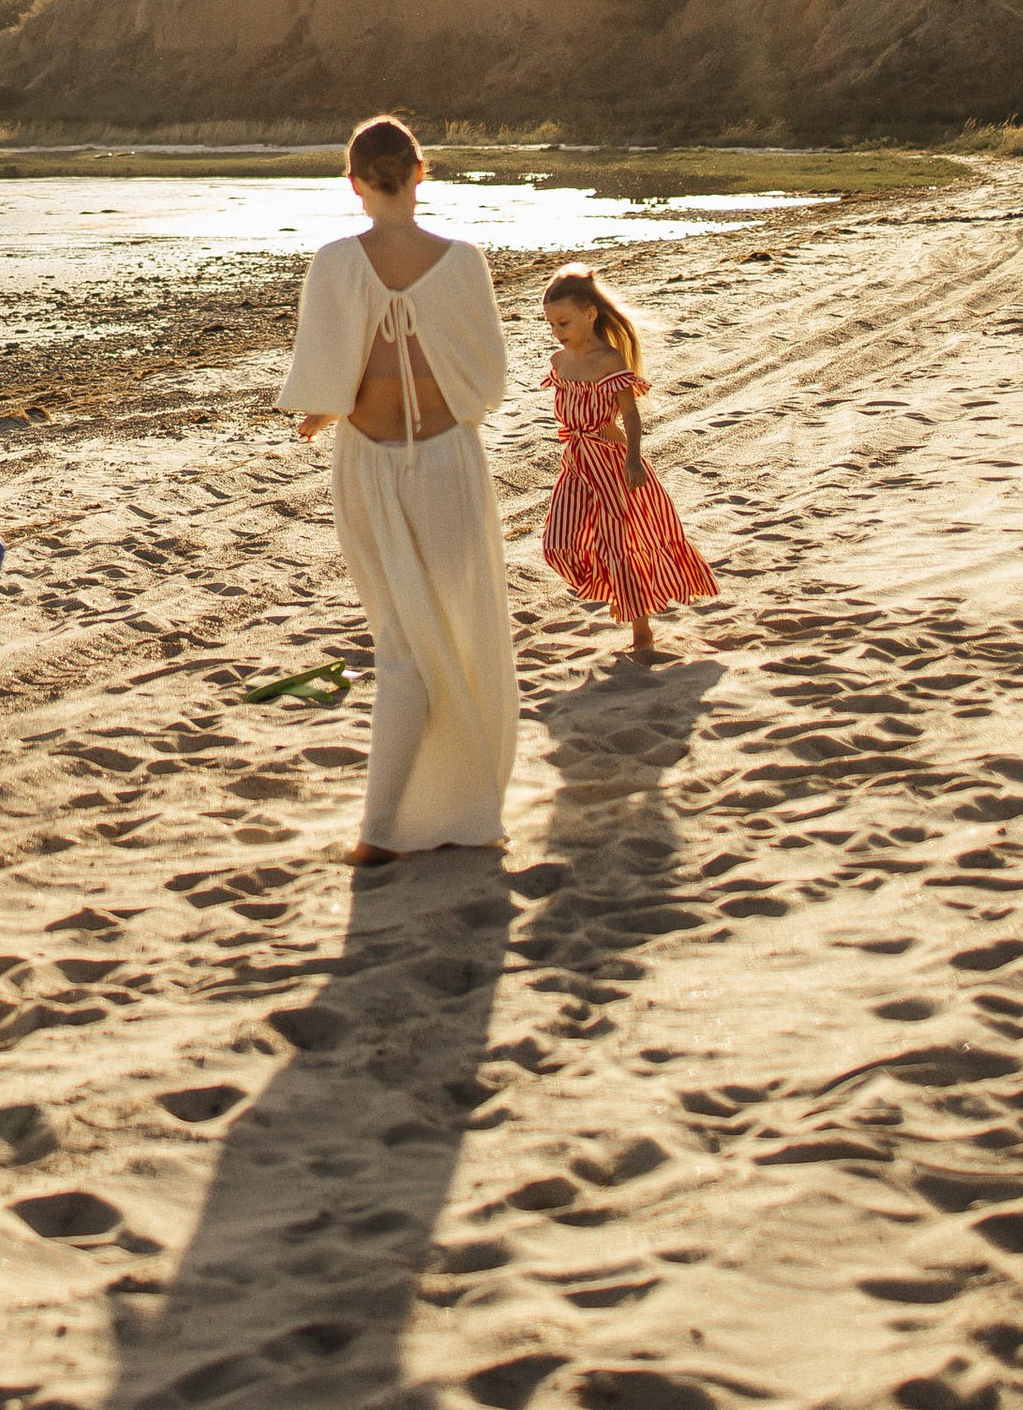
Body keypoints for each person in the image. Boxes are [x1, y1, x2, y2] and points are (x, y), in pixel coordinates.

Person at [277, 115, 515, 866]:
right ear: (422, 172)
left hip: (372, 464)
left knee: (403, 640)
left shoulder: (335, 262)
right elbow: (485, 378)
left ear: (353, 182)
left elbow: (330, 373)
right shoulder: (463, 260)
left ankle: (385, 830)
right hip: (448, 461)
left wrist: (324, 409)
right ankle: (463, 811)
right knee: (462, 631)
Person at [539, 263, 719, 668]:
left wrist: (634, 459)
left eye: (563, 321)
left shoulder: (609, 360)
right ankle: (608, 585)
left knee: (622, 545)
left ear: (590, 314)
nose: (557, 331)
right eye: (550, 324)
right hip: (576, 464)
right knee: (557, 543)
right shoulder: (558, 360)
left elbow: (630, 416)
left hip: (613, 463)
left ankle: (641, 632)